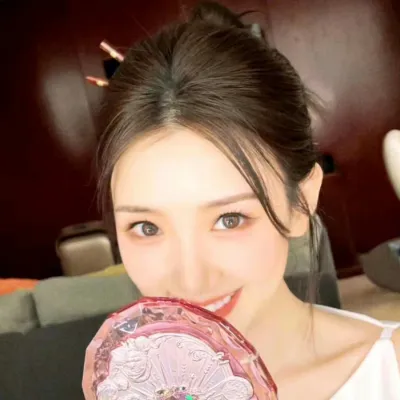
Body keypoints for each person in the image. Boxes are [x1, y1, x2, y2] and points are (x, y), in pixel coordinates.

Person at [96, 2, 400, 398]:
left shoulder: (389, 372)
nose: (191, 280)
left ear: (300, 201)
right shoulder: (123, 387)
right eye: (147, 227)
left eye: (230, 219)